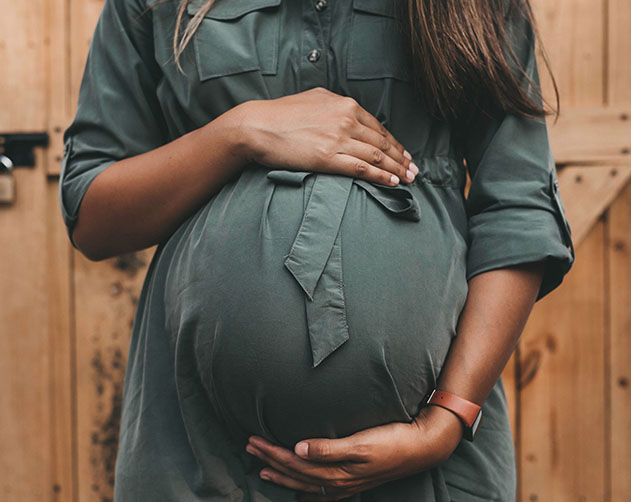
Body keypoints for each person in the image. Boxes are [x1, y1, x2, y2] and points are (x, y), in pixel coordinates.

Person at [58, 0, 575, 500]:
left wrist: (444, 422)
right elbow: (93, 218)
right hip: (202, 456)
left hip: (428, 463)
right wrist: (237, 134)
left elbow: (518, 208)